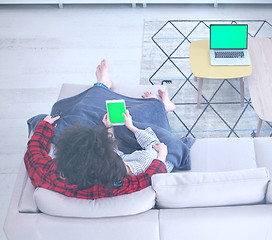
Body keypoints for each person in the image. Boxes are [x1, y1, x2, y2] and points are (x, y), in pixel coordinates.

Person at [24, 59, 176, 199]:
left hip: (99, 132)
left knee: (78, 111)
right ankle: (162, 106)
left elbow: (33, 153)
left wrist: (44, 125)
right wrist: (161, 156)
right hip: (141, 139)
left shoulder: (52, 176)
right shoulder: (116, 185)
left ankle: (102, 85)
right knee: (147, 113)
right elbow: (148, 179)